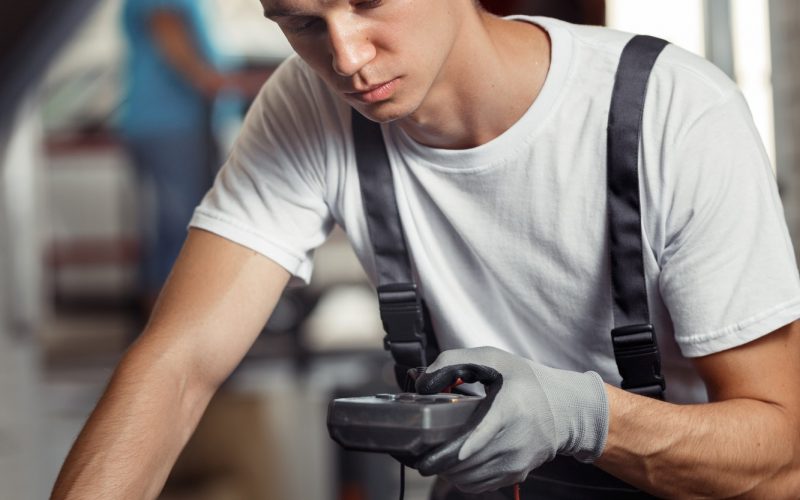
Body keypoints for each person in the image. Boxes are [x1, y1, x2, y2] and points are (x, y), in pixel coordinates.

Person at [53, 1, 800, 498]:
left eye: (369, 0)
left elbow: (782, 455)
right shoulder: (309, 107)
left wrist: (586, 416)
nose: (346, 56)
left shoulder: (673, 111)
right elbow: (177, 365)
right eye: (302, 22)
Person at [120, 0, 261, 315]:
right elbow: (177, 52)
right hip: (168, 124)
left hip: (180, 123)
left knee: (181, 224)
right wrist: (234, 83)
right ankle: (171, 326)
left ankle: (177, 322)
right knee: (182, 226)